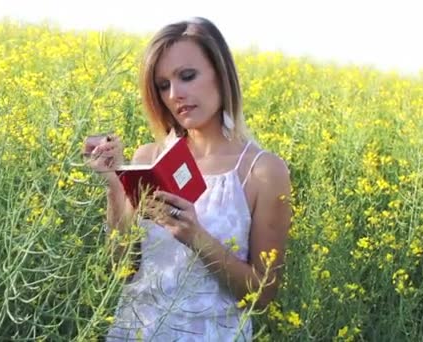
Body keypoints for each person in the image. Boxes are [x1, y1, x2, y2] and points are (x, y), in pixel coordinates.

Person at [86, 17, 292, 341]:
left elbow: (261, 297)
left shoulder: (263, 171)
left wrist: (196, 237)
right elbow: (123, 269)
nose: (175, 94)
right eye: (163, 85)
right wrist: (114, 183)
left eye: (187, 76)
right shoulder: (147, 159)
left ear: (221, 74)